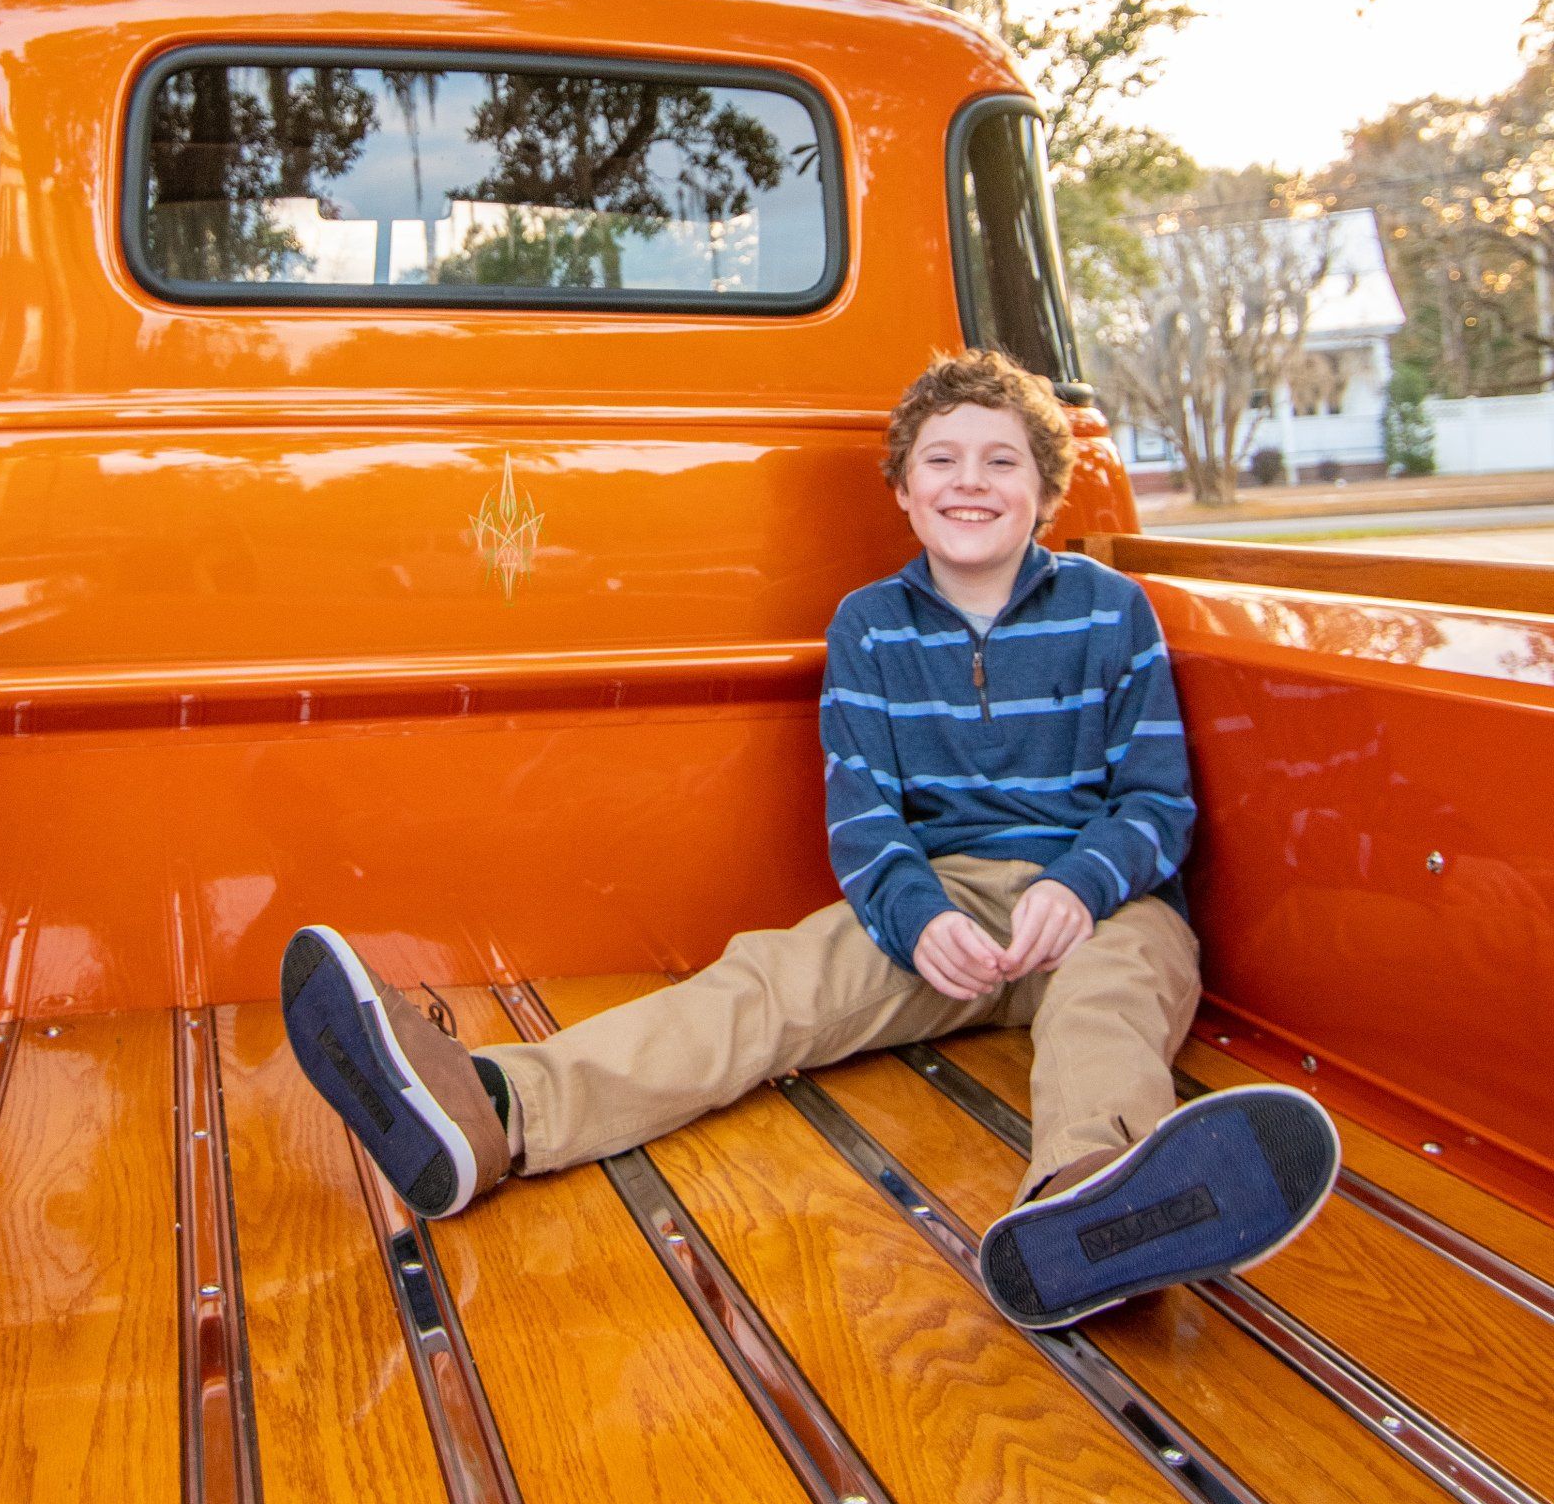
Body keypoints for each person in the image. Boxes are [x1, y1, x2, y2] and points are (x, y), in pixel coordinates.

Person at [279, 347, 1339, 1329]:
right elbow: (866, 818)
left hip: (1106, 903)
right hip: (949, 906)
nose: (971, 481)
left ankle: (1089, 1207)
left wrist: (1080, 885)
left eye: (1002, 460)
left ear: (1046, 492)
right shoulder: (870, 627)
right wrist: (918, 919)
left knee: (1109, 1014)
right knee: (769, 986)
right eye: (943, 460)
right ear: (904, 490)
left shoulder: (1113, 613)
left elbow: (1157, 804)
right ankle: (497, 1110)